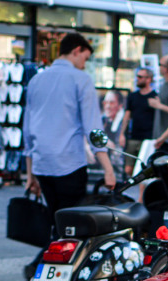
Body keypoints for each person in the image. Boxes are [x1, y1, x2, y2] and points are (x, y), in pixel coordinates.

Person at [23, 32, 116, 222]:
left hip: (42, 164)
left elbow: (28, 130)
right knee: (73, 226)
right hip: (69, 163)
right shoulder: (81, 79)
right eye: (85, 58)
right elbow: (93, 129)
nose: (85, 64)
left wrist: (29, 174)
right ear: (76, 50)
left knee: (55, 222)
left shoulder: (36, 80)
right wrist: (108, 169)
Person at [119, 67, 156, 175]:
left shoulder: (154, 97)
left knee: (145, 169)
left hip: (148, 138)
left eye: (140, 77)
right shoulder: (132, 96)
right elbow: (127, 116)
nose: (137, 79)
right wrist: (122, 134)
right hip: (133, 137)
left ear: (148, 79)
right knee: (128, 169)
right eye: (137, 76)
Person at [100, 90, 127, 182]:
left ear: (120, 106)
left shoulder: (124, 122)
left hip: (118, 169)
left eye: (111, 103)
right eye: (105, 102)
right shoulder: (102, 119)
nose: (107, 106)